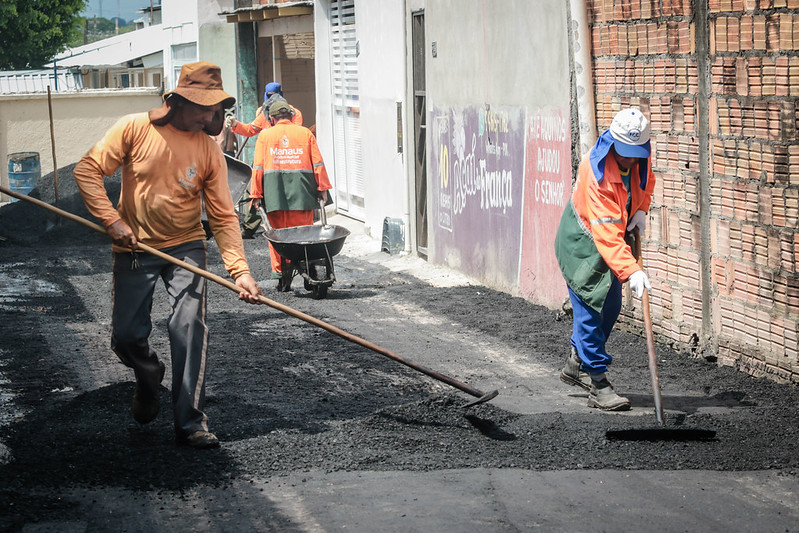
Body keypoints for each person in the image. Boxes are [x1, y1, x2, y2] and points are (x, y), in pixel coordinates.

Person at [73, 61, 264, 449]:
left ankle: (190, 422)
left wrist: (240, 271)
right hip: (134, 245)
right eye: (203, 107)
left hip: (186, 245)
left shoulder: (208, 151)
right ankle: (147, 374)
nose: (211, 116)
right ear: (176, 101)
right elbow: (88, 170)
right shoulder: (133, 128)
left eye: (215, 109)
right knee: (125, 337)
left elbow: (225, 217)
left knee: (189, 327)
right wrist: (112, 221)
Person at [553, 107, 656, 411]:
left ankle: (576, 362)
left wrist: (641, 209)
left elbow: (646, 181)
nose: (629, 158)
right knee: (589, 309)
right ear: (611, 141)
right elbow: (607, 236)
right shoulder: (596, 172)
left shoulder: (640, 157)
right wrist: (632, 271)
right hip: (583, 244)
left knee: (611, 306)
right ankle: (598, 383)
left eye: (634, 153)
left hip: (610, 241)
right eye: (624, 152)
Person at [249, 100, 332, 290]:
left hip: (273, 194)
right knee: (305, 234)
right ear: (292, 116)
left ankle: (280, 275)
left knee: (277, 235)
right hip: (302, 193)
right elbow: (317, 163)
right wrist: (322, 188)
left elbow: (258, 167)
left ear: (271, 118)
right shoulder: (305, 133)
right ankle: (308, 267)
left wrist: (256, 194)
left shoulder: (265, 136)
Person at [225, 82, 304, 239]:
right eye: (269, 96)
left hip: (288, 159)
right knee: (258, 192)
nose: (272, 99)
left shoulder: (294, 114)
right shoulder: (263, 113)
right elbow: (250, 130)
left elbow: (295, 135)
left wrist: (270, 134)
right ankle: (249, 227)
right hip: (267, 160)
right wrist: (235, 124)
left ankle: (292, 229)